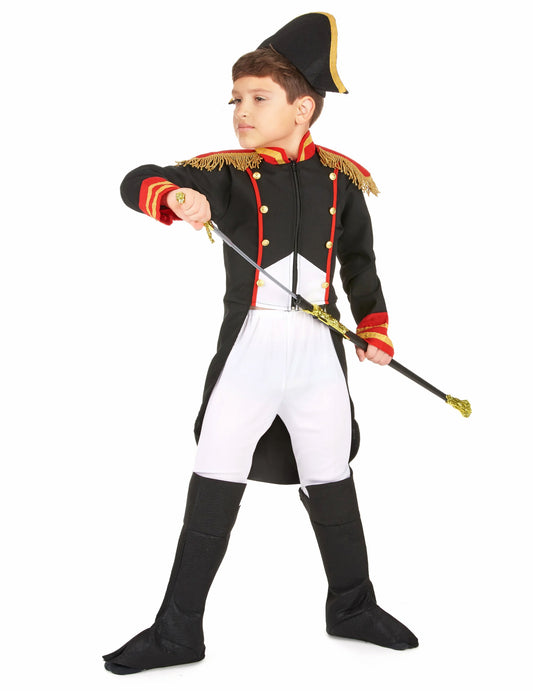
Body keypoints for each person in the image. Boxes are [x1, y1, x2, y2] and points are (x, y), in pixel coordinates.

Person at [103, 12, 418, 675]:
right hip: (248, 352)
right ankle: (177, 631)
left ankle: (352, 606)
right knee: (214, 475)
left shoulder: (342, 179)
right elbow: (138, 178)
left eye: (258, 98)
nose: (241, 112)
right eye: (235, 99)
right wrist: (174, 197)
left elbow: (359, 265)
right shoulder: (226, 174)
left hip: (317, 356)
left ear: (302, 109)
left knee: (332, 476)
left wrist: (373, 329)